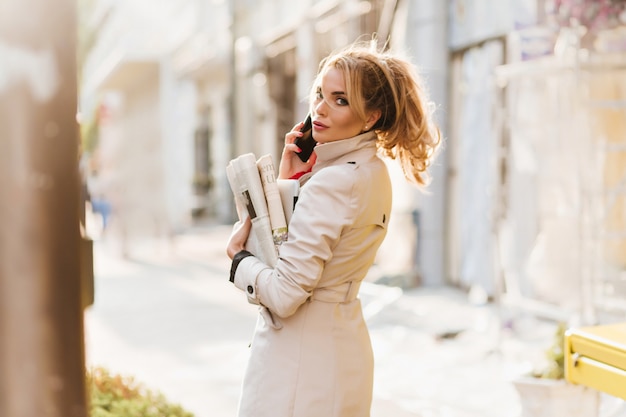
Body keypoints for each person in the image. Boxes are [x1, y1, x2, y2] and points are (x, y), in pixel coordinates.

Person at [226, 40, 442, 417]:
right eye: (320, 95)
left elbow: (285, 292)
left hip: (299, 367)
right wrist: (290, 181)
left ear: (371, 116)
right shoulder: (372, 173)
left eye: (340, 100)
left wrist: (238, 259)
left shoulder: (332, 183)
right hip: (339, 352)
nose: (320, 110)